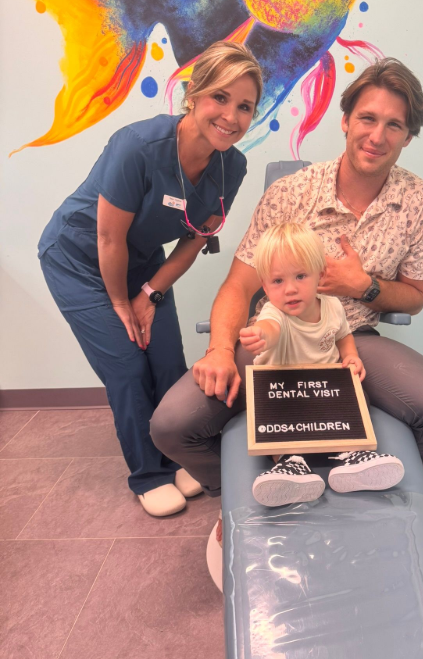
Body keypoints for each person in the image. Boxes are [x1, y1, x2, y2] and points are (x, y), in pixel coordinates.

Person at [150, 57, 423, 511]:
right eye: (367, 118)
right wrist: (221, 350)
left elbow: (416, 297)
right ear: (345, 121)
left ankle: (394, 511)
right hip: (273, 342)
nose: (377, 136)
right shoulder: (292, 193)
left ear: (408, 136)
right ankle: (238, 502)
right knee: (171, 425)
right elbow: (238, 288)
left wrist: (366, 287)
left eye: (394, 125)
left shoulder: (421, 203)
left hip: (349, 341)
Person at [38, 41, 263, 517]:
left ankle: (178, 454)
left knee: (166, 360)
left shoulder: (233, 166)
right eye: (220, 98)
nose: (231, 116)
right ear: (193, 94)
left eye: (244, 106)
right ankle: (149, 473)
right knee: (126, 364)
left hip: (141, 261)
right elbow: (107, 240)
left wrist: (152, 291)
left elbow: (197, 238)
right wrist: (123, 304)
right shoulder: (137, 146)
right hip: (78, 257)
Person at [240, 222, 405, 507]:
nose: (290, 290)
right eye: (277, 281)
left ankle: (353, 458)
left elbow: (343, 335)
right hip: (284, 387)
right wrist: (260, 335)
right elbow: (271, 327)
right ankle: (290, 466)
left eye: (301, 276)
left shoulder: (332, 306)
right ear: (265, 285)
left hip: (324, 386)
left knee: (354, 396)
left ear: (320, 274)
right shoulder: (274, 312)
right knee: (280, 423)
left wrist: (351, 355)